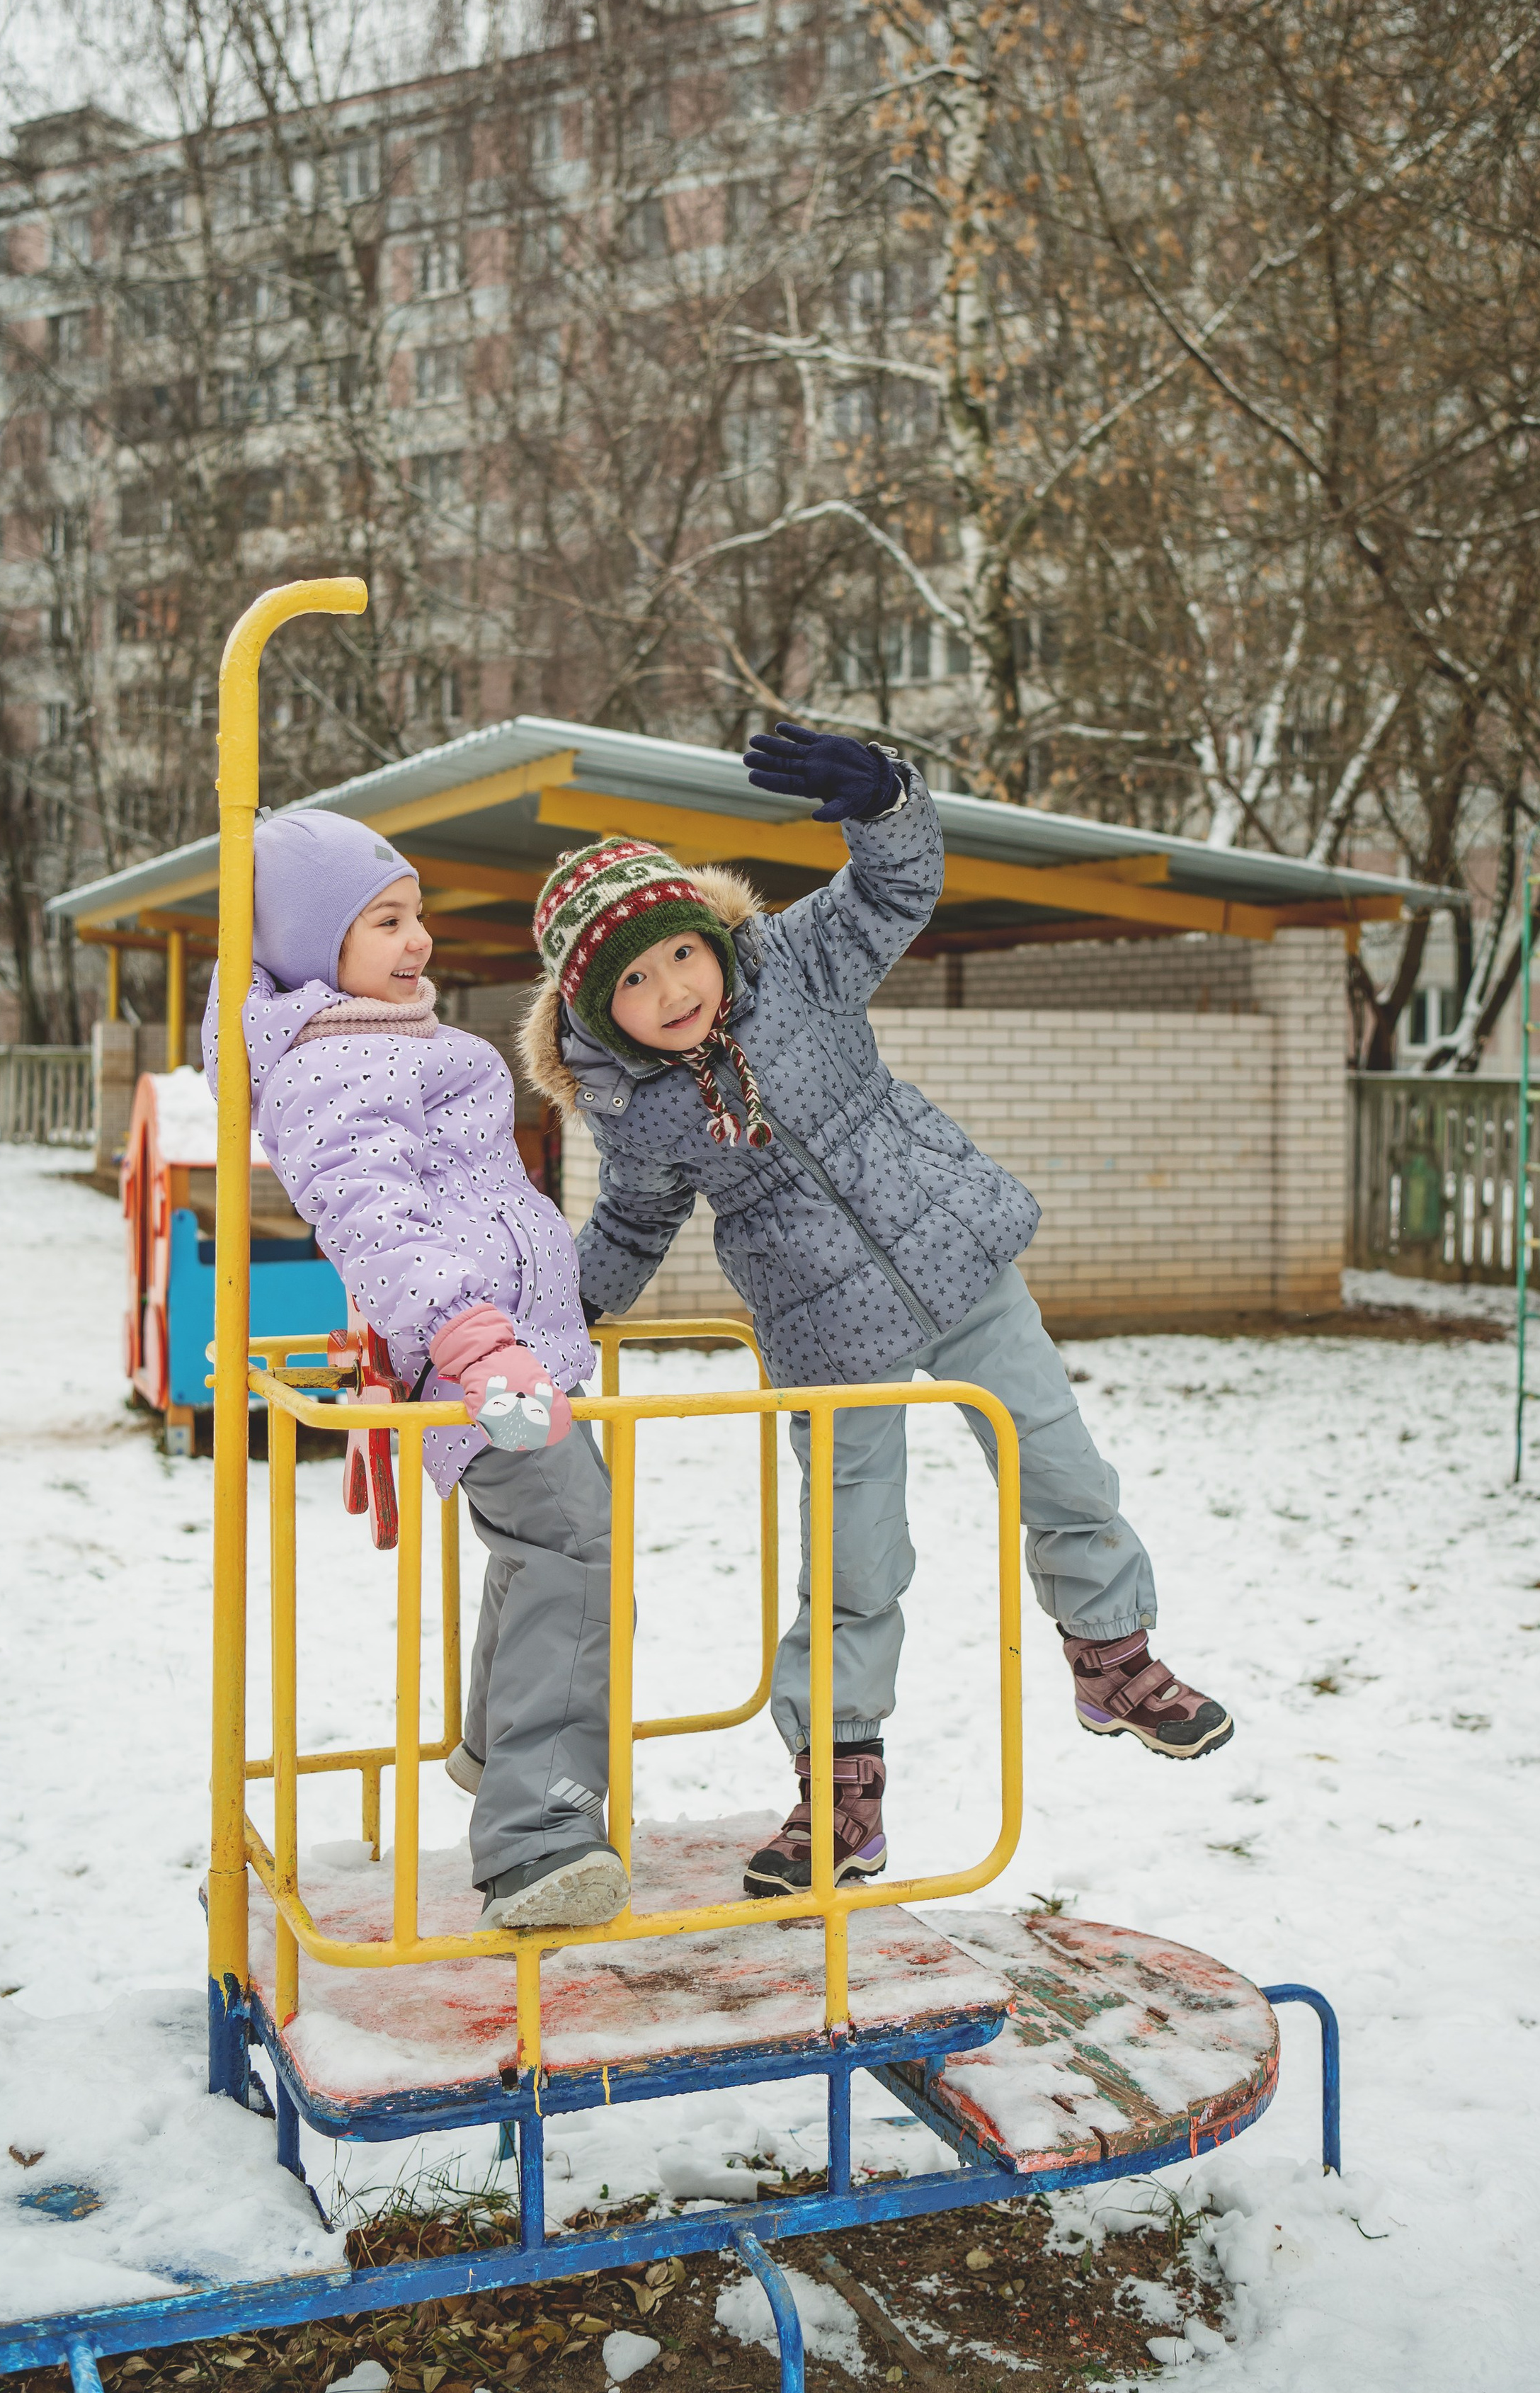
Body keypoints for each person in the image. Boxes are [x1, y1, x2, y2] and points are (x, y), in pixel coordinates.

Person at [523, 725, 1233, 1900]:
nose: (671, 993)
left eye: (677, 958)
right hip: (823, 1333)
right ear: (600, 1011)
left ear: (707, 934)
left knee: (1060, 1465)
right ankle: (842, 1792)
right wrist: (550, 1321)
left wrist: (887, 801)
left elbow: (896, 884)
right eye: (634, 986)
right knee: (853, 1560)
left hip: (959, 1263)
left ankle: (1116, 1661)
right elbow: (634, 1229)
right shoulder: (635, 1113)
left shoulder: (797, 964)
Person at [201, 806, 624, 1933]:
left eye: (418, 914)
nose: (418, 939)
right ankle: (537, 1840)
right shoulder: (334, 1065)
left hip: (502, 1345)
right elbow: (374, 1218)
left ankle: (502, 1754)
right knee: (572, 1541)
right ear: (308, 945)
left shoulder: (380, 1038)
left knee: (555, 1543)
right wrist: (473, 1335)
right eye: (385, 920)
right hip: (473, 1358)